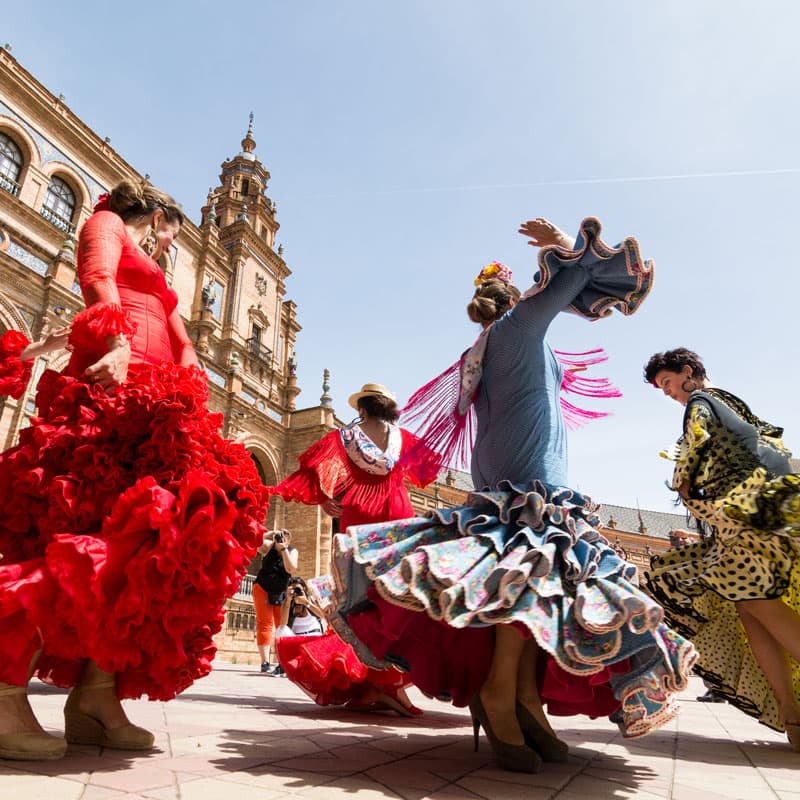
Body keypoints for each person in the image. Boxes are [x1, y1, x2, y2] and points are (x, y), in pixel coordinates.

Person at [329, 217, 697, 774]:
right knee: (529, 574)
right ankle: (503, 692)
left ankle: (522, 697)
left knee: (532, 580)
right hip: (528, 471)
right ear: (514, 298)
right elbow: (573, 282)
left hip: (523, 467)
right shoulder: (519, 328)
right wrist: (562, 249)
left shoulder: (490, 344)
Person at [0, 179, 268, 761]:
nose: (174, 242)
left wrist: (192, 379)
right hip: (115, 382)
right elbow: (98, 279)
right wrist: (115, 343)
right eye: (172, 230)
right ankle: (5, 690)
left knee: (139, 544)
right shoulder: (107, 224)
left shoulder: (159, 268)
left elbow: (178, 332)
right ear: (159, 216)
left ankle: (95, 697)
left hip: (160, 397)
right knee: (79, 529)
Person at [643, 347, 800, 749]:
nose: (668, 393)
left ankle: (795, 716)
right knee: (749, 609)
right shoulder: (734, 401)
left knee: (756, 605)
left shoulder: (700, 402)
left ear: (688, 371)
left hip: (744, 515)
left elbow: (694, 443)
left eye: (667, 383)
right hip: (763, 510)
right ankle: (794, 719)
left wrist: (682, 483)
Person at [270, 383, 440, 530]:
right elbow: (428, 466)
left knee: (356, 565)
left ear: (361, 411)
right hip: (397, 508)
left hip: (358, 513)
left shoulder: (343, 436)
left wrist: (323, 498)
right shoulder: (402, 437)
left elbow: (313, 465)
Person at [274, 577, 421, 716]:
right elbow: (282, 625)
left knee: (363, 642)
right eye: (293, 590)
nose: (296, 593)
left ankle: (375, 691)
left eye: (299, 589)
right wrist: (288, 600)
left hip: (327, 629)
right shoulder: (289, 607)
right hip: (306, 640)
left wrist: (307, 602)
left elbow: (325, 616)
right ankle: (379, 690)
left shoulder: (312, 600)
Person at [253, 529, 299, 674]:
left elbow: (291, 568)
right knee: (264, 623)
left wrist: (284, 549)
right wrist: (271, 533)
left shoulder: (292, 551)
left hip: (281, 592)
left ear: (288, 540)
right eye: (279, 537)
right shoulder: (268, 546)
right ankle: (265, 662)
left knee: (282, 625)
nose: (280, 539)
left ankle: (282, 662)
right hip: (262, 588)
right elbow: (252, 539)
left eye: (284, 537)